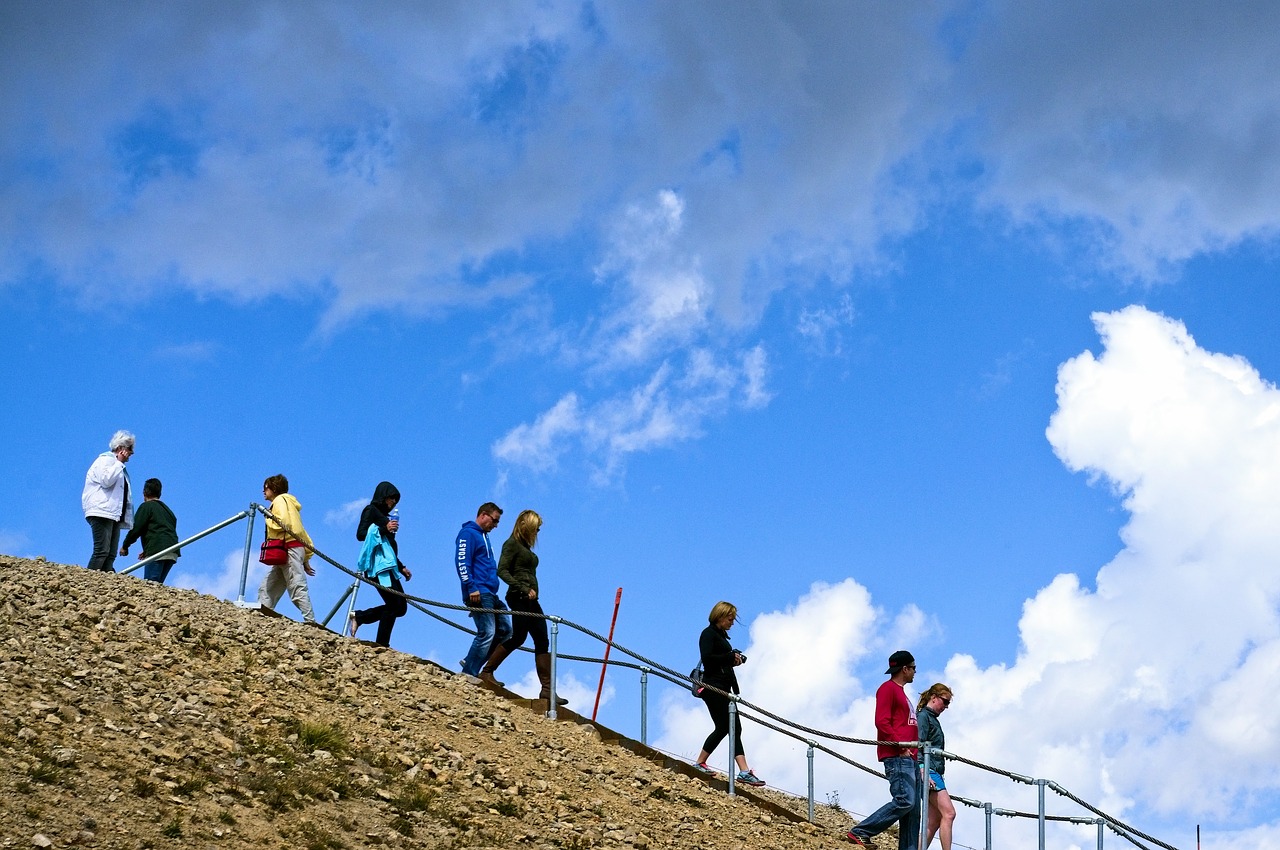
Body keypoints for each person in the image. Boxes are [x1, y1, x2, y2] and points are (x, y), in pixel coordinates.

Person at [480, 509, 566, 705]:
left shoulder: (526, 548)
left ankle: (547, 690)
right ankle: (487, 671)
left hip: (531, 600)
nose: (538, 532)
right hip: (518, 596)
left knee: (542, 639)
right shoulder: (511, 544)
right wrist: (523, 587)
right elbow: (502, 570)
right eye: (536, 528)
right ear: (526, 527)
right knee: (519, 636)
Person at [847, 650, 920, 849]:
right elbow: (881, 721)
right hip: (898, 756)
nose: (915, 672)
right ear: (904, 669)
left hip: (910, 756)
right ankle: (861, 831)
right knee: (905, 801)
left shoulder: (900, 692)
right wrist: (900, 745)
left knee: (913, 810)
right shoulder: (888, 689)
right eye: (913, 668)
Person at [691, 601, 765, 787]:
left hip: (723, 687)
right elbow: (708, 659)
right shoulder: (708, 634)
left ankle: (744, 771)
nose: (732, 623)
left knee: (734, 727)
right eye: (730, 619)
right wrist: (729, 657)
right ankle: (700, 762)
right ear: (720, 616)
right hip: (713, 687)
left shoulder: (721, 636)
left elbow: (719, 661)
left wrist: (734, 660)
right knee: (724, 727)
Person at [348, 481, 412, 647]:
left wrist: (401, 566)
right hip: (377, 567)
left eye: (395, 501)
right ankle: (382, 644)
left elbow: (387, 548)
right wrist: (384, 528)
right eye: (391, 499)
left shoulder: (386, 517)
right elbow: (361, 534)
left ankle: (360, 617)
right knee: (395, 605)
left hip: (389, 566)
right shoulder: (371, 510)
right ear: (383, 496)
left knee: (400, 607)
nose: (392, 504)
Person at [455, 502, 511, 684]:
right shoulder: (468, 534)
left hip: (491, 593)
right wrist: (471, 586)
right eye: (494, 521)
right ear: (483, 515)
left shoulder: (484, 537)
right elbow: (462, 561)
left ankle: (472, 660)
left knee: (505, 630)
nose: (495, 525)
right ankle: (469, 672)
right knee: (487, 631)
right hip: (478, 591)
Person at [256, 474, 319, 626]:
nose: (263, 491)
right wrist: (306, 557)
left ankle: (310, 620)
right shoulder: (289, 503)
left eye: (266, 487)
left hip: (289, 548)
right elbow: (301, 531)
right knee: (269, 585)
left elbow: (283, 523)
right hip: (290, 548)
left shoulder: (280, 500)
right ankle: (261, 612)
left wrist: (268, 517)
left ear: (274, 488)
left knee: (296, 585)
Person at [81, 430, 136, 572]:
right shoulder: (104, 461)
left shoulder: (117, 465)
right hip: (102, 511)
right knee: (101, 551)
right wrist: (119, 463)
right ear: (120, 448)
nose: (132, 452)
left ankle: (104, 586)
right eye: (129, 448)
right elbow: (106, 481)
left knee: (110, 554)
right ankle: (89, 583)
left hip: (114, 514)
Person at [917, 683, 955, 850]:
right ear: (934, 697)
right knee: (949, 813)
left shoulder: (930, 718)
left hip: (934, 770)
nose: (946, 707)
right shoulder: (924, 717)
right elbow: (918, 745)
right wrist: (922, 769)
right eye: (945, 702)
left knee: (933, 821)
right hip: (930, 770)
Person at [120, 478, 180, 583]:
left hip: (158, 551)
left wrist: (125, 546)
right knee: (157, 585)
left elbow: (136, 528)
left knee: (150, 584)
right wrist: (148, 549)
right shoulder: (168, 511)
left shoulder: (146, 506)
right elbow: (164, 530)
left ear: (144, 492)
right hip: (172, 551)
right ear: (159, 493)